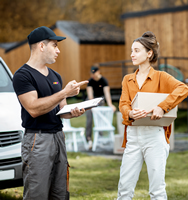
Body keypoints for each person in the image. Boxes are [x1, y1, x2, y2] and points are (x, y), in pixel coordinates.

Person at [12, 26, 88, 200]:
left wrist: (74, 112)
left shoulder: (56, 76)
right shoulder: (23, 75)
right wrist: (64, 93)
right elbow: (33, 109)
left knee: (60, 193)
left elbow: (61, 110)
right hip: (37, 141)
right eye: (54, 45)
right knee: (37, 194)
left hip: (58, 137)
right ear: (41, 46)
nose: (58, 50)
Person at [117, 31, 188, 200]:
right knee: (124, 189)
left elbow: (183, 89)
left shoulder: (161, 77)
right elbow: (123, 104)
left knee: (157, 190)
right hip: (133, 137)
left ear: (149, 53)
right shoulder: (127, 79)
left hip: (155, 136)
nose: (131, 54)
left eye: (136, 50)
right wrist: (130, 113)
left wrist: (162, 107)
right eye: (131, 50)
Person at [86, 66, 116, 149]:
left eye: (94, 73)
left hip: (100, 101)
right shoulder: (90, 81)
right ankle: (88, 139)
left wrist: (110, 104)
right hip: (91, 101)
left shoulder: (104, 80)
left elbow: (107, 93)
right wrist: (91, 106)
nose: (93, 75)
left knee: (100, 120)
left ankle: (100, 138)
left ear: (98, 72)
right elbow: (90, 95)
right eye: (92, 73)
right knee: (89, 120)